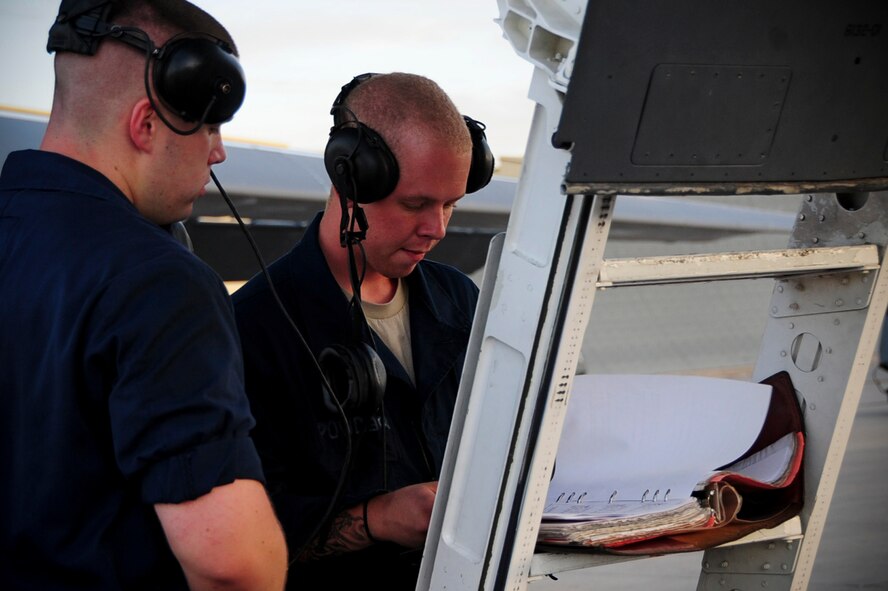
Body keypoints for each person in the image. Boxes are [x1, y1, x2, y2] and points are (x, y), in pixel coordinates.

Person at [0, 1, 287, 589]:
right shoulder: (159, 282)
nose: (218, 151)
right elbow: (233, 566)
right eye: (210, 124)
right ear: (146, 123)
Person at [232, 72, 494, 589]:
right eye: (416, 204)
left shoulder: (461, 300)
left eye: (450, 205)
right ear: (350, 178)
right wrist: (378, 520)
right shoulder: (251, 329)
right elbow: (235, 541)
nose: (437, 229)